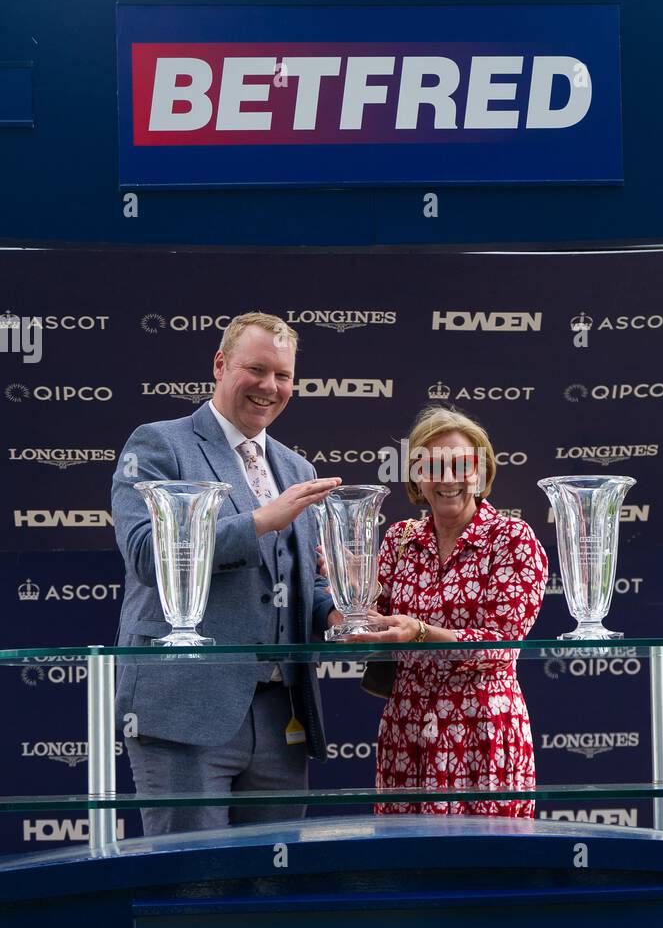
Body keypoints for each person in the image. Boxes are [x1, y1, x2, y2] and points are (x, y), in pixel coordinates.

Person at [111, 311, 341, 836]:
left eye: (283, 376)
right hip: (186, 711)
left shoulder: (296, 469)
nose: (269, 386)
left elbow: (300, 582)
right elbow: (148, 555)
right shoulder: (159, 445)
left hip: (282, 717)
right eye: (255, 369)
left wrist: (341, 613)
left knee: (269, 890)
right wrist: (260, 521)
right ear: (219, 365)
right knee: (190, 883)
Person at [356, 406, 548, 817]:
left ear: (481, 472)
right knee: (406, 866)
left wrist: (421, 632)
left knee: (487, 869)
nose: (447, 478)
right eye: (434, 465)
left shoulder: (512, 539)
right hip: (405, 729)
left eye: (461, 464)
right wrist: (348, 588)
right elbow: (373, 622)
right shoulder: (399, 538)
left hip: (482, 732)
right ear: (417, 475)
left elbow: (500, 645)